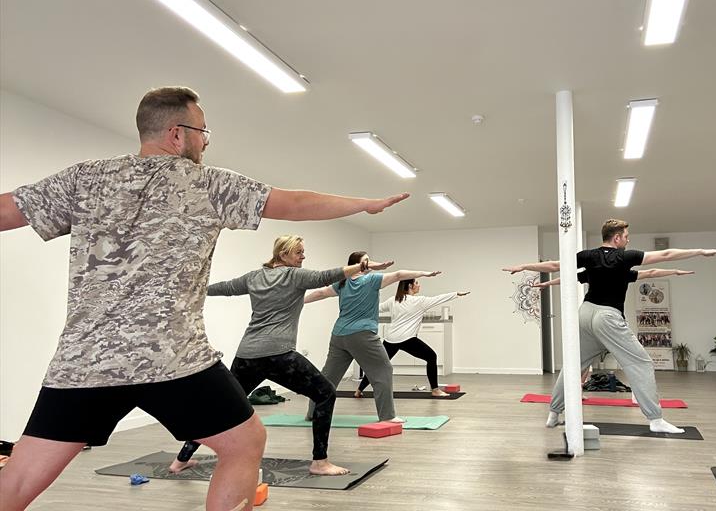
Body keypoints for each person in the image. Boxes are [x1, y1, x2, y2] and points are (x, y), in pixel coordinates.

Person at [0, 86, 408, 511]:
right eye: (203, 131)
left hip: (85, 362)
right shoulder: (207, 183)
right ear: (178, 134)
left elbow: (4, 210)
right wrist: (364, 204)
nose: (205, 141)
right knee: (244, 441)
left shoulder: (84, 178)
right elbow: (295, 202)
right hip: (172, 357)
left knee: (22, 476)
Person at [169, 235, 393, 477]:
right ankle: (320, 462)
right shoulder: (294, 276)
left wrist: (190, 290)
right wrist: (363, 266)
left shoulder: (254, 276)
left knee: (221, 408)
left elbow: (225, 288)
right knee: (325, 392)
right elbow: (327, 276)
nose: (303, 256)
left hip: (248, 355)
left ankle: (180, 460)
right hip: (279, 355)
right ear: (284, 255)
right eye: (299, 252)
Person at [505, 218, 716, 433]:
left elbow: (556, 266)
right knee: (641, 363)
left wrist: (524, 266)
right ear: (617, 237)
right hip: (608, 317)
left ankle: (554, 412)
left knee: (574, 366)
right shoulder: (625, 257)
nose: (628, 241)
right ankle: (655, 419)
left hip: (585, 313)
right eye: (626, 237)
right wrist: (701, 251)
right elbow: (664, 255)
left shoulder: (588, 256)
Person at [304, 252, 440, 422]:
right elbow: (398, 275)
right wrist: (423, 273)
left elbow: (321, 293)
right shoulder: (371, 280)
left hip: (339, 335)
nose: (370, 263)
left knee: (328, 377)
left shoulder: (342, 282)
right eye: (366, 261)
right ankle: (387, 416)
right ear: (359, 265)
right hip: (362, 335)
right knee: (383, 371)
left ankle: (312, 413)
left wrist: (300, 302)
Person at [355, 279, 469, 398]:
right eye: (417, 283)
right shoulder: (419, 301)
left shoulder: (394, 300)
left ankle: (359, 390)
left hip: (391, 339)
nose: (419, 285)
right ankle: (435, 390)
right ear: (410, 285)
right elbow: (438, 299)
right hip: (407, 339)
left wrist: (359, 308)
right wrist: (456, 294)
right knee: (431, 356)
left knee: (378, 365)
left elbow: (376, 308)